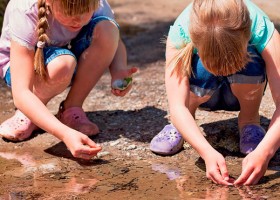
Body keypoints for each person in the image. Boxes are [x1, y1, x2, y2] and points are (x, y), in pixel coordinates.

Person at [150, 0, 280, 185]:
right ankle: (183, 126)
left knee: (252, 62)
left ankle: (250, 121)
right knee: (195, 65)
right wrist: (206, 152)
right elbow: (176, 106)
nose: (223, 73)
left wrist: (265, 151)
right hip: (202, 93)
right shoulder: (181, 31)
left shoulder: (261, 28)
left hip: (243, 92)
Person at [0, 0, 137, 160]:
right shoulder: (25, 10)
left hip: (68, 56)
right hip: (21, 69)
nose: (78, 20)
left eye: (85, 12)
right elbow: (21, 92)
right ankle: (29, 113)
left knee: (107, 29)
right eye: (69, 12)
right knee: (62, 64)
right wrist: (64, 134)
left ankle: (71, 108)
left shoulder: (96, 2)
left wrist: (119, 69)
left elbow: (114, 39)